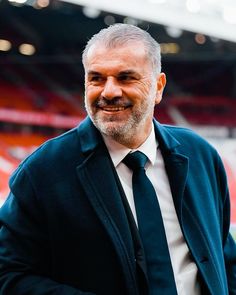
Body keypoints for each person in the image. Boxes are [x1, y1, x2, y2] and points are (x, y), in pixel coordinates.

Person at [0, 24, 235, 295]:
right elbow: (9, 275)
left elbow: (224, 255)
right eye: (97, 78)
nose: (109, 92)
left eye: (126, 77)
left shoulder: (200, 156)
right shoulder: (42, 172)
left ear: (158, 87)